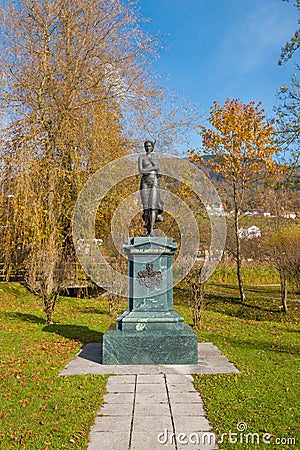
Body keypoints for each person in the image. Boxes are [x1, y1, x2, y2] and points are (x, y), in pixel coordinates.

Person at [138, 140, 163, 236]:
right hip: (144, 181)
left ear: (152, 147)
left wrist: (156, 167)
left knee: (153, 206)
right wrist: (153, 168)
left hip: (154, 181)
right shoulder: (141, 158)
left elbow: (160, 172)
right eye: (146, 146)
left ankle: (151, 230)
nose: (148, 148)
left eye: (149, 146)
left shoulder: (155, 158)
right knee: (146, 207)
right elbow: (141, 170)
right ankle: (147, 228)